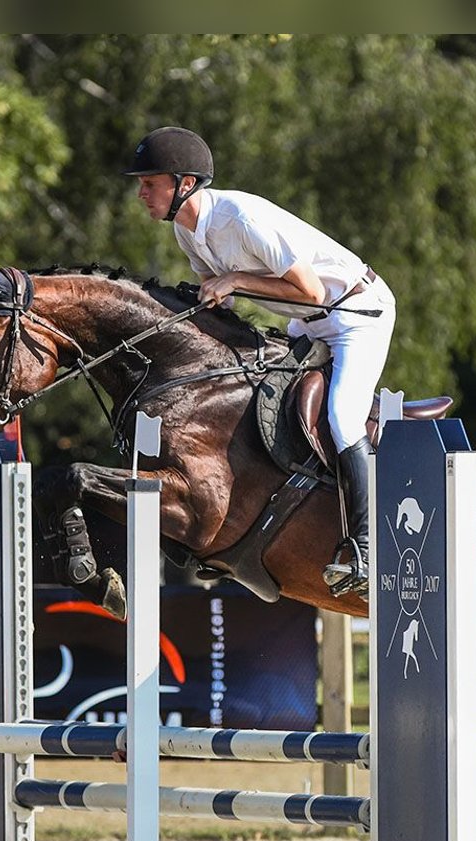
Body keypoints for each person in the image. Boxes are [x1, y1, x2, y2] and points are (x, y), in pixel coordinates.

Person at [123, 126, 397, 600]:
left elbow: (309, 290)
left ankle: (366, 549)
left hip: (355, 315)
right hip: (306, 324)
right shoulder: (187, 231)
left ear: (184, 184)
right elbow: (222, 295)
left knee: (342, 417)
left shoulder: (238, 217)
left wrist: (233, 280)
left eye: (151, 182)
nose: (142, 192)